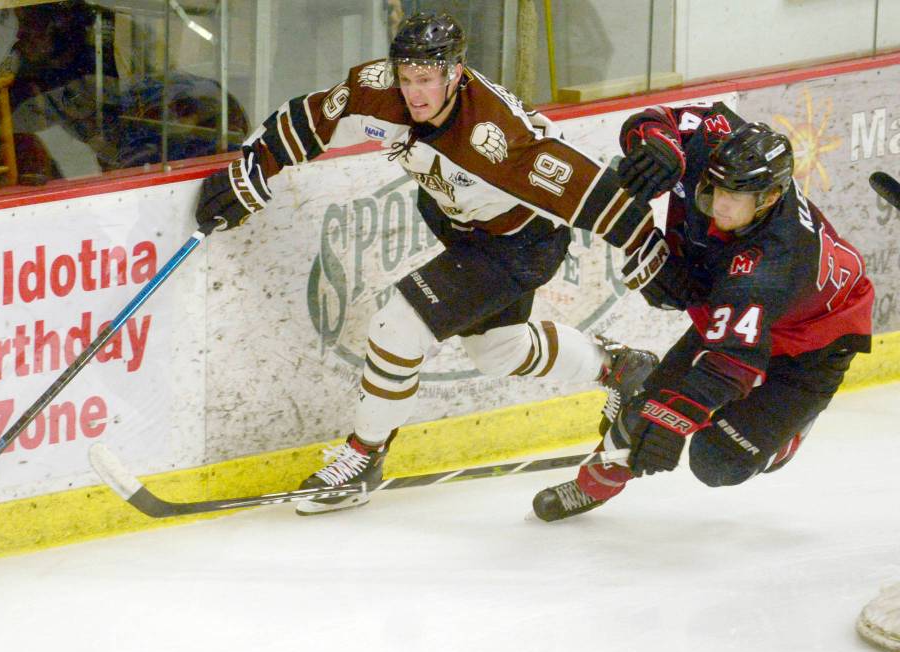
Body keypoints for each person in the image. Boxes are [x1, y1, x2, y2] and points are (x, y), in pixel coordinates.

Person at [195, 12, 660, 515]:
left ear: (455, 74)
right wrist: (254, 165)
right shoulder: (378, 88)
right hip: (458, 223)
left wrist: (650, 249)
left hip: (520, 243)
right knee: (497, 351)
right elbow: (315, 118)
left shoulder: (496, 138)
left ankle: (363, 458)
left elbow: (591, 192)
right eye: (407, 78)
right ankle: (617, 366)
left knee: (397, 325)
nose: (414, 93)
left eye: (426, 81)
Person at [533, 106, 875, 521]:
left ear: (768, 199)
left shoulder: (773, 261)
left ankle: (786, 433)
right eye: (715, 189)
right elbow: (660, 117)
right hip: (745, 309)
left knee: (714, 463)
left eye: (735, 197)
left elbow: (733, 362)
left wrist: (676, 418)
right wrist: (657, 144)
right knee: (644, 409)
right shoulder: (718, 142)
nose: (719, 206)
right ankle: (592, 485)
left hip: (813, 347)